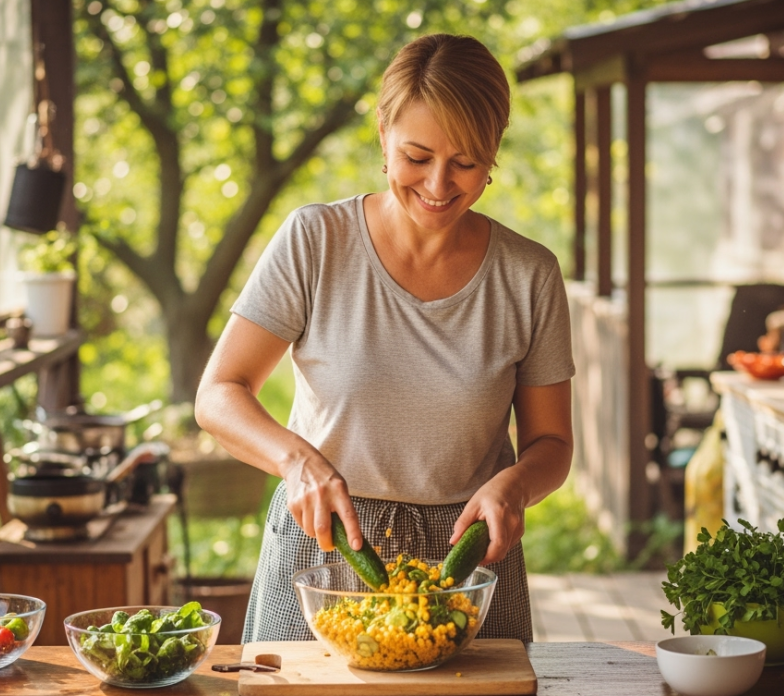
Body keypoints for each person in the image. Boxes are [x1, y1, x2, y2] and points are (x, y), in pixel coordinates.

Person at [194, 33, 574, 643]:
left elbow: (552, 442)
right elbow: (218, 394)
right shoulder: (315, 241)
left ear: (494, 151)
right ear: (383, 134)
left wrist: (517, 484)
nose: (439, 184)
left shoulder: (529, 275)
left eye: (467, 162)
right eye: (417, 156)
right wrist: (296, 463)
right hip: (326, 547)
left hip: (468, 564)